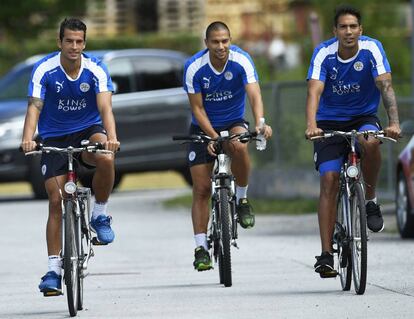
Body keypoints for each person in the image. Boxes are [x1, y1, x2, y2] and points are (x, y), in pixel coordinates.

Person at [20, 18, 120, 295]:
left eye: (79, 41)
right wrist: (28, 138)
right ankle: (53, 270)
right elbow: (34, 108)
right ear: (59, 42)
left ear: (84, 44)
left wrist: (111, 138)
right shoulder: (45, 70)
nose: (74, 46)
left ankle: (99, 215)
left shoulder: (96, 68)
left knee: (105, 158)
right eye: (69, 41)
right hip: (53, 137)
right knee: (55, 200)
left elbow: (105, 108)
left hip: (88, 131)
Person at [305, 5, 401, 277]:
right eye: (343, 27)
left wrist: (393, 122)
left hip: (363, 118)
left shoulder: (372, 49)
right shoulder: (324, 53)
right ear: (334, 31)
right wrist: (312, 125)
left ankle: (370, 199)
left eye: (353, 27)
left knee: (370, 142)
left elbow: (386, 86)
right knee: (329, 179)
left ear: (361, 30)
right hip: (328, 123)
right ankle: (325, 255)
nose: (348, 31)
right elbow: (314, 91)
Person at [183, 21, 272, 271]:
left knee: (241, 145)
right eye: (215, 42)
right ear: (207, 44)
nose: (221, 46)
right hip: (203, 127)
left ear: (230, 41)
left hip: (234, 121)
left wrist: (261, 122)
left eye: (225, 41)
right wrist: (212, 136)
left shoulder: (242, 60)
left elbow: (254, 94)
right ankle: (201, 247)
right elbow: (197, 109)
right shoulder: (194, 67)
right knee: (201, 188)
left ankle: (242, 200)